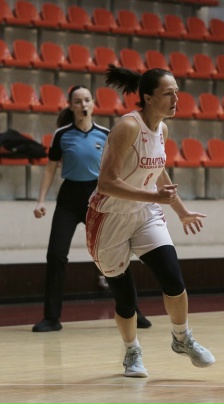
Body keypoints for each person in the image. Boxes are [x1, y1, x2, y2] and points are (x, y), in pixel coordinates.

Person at [86, 65, 215, 378]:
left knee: (173, 277)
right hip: (109, 217)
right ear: (147, 97)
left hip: (145, 214)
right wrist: (154, 196)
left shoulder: (162, 130)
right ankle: (132, 350)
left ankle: (182, 338)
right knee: (126, 298)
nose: (176, 99)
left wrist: (180, 210)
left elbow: (158, 171)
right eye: (168, 94)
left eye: (177, 93)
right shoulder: (127, 127)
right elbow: (106, 183)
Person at [32, 85, 151, 333]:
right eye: (78, 101)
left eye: (87, 100)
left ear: (93, 104)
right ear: (71, 106)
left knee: (113, 254)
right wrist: (41, 200)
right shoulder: (61, 134)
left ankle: (132, 311)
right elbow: (51, 168)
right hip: (69, 198)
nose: (83, 105)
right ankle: (51, 318)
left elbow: (119, 168)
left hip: (98, 197)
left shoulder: (106, 133)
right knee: (55, 255)